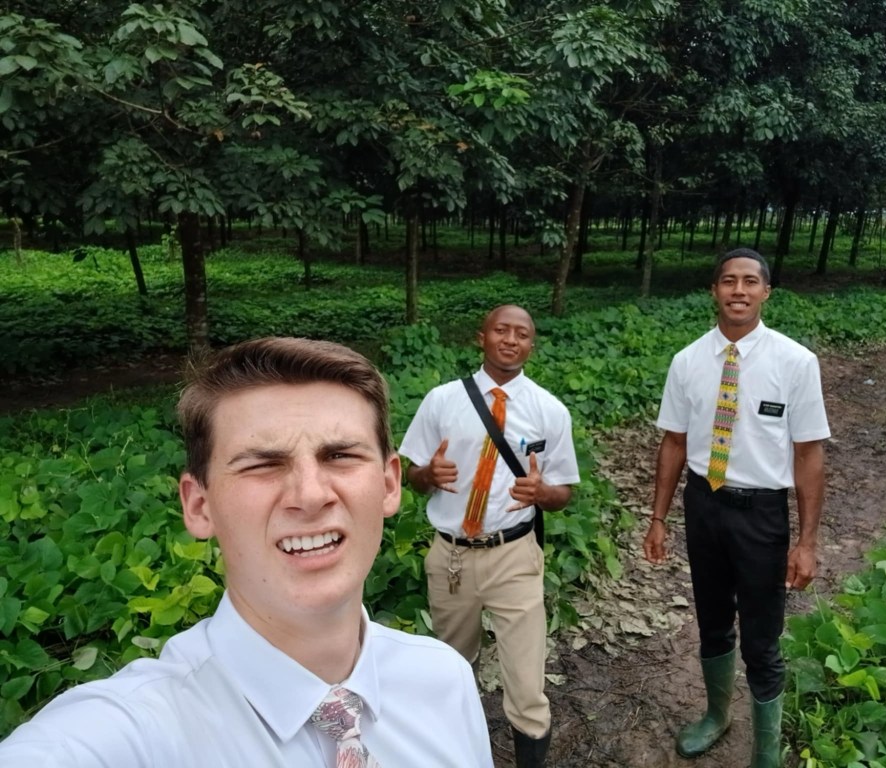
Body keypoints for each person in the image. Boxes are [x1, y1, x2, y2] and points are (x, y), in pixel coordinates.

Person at [0, 337, 493, 768]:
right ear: (199, 506)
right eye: (262, 465)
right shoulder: (133, 733)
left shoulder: (444, 681)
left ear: (388, 485)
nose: (310, 494)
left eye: (340, 455)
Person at [643, 249, 829, 768]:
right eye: (728, 281)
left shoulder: (795, 362)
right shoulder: (688, 361)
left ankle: (765, 752)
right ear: (714, 290)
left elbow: (809, 453)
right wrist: (658, 518)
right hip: (704, 505)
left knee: (762, 639)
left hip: (761, 514)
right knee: (712, 619)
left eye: (750, 281)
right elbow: (673, 442)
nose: (739, 290)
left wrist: (807, 542)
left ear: (767, 292)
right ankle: (716, 714)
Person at [399, 304, 579, 768]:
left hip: (513, 556)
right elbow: (411, 474)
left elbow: (564, 493)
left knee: (527, 683)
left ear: (531, 345)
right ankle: (459, 753)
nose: (511, 340)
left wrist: (542, 493)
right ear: (482, 337)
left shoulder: (549, 410)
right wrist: (427, 475)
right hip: (451, 559)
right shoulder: (442, 401)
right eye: (501, 330)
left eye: (522, 334)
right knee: (453, 670)